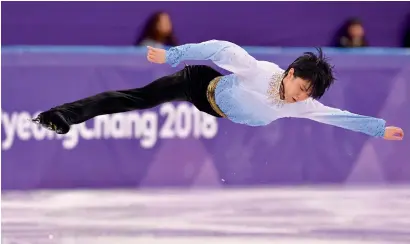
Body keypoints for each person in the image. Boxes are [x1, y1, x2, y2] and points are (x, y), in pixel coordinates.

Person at [32, 40, 404, 141]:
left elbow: (339, 117)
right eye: (302, 87)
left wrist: (377, 128)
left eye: (310, 94)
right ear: (291, 73)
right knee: (138, 99)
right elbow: (220, 49)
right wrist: (173, 55)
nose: (302, 96)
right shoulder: (259, 72)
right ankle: (60, 116)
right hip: (199, 84)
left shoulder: (302, 107)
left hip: (220, 110)